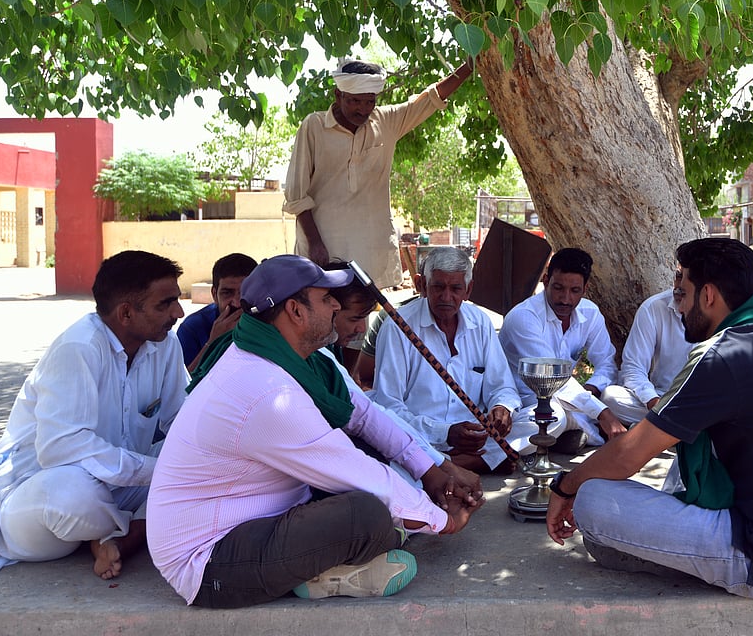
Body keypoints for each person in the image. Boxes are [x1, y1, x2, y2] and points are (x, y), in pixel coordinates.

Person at [147, 255, 480, 608]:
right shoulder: (268, 392)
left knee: (381, 494)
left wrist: (430, 473)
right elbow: (354, 468)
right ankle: (320, 573)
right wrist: (441, 521)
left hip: (258, 520)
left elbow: (365, 415)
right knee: (366, 515)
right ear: (295, 311)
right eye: (326, 298)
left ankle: (333, 561)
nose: (336, 305)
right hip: (210, 561)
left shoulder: (298, 360)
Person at [545, 238, 753, 598]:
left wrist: (565, 486)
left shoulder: (723, 353)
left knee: (594, 499)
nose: (679, 307)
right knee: (681, 448)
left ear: (708, 296)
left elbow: (629, 454)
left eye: (684, 293)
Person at [0, 251, 188, 579]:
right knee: (72, 496)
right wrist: (155, 471)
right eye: (165, 304)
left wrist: (190, 462)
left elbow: (182, 419)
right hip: (36, 496)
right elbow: (60, 450)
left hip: (119, 485)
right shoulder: (79, 348)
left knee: (199, 456)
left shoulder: (165, 344)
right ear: (126, 313)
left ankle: (109, 540)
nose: (179, 312)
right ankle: (123, 536)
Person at [283, 57, 474, 286]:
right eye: (355, 101)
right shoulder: (313, 127)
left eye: (369, 102)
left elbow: (431, 99)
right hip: (322, 251)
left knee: (359, 316)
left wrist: (469, 66)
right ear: (338, 95)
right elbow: (296, 195)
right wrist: (315, 243)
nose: (363, 109)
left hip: (369, 252)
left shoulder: (385, 122)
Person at [368, 248, 526, 474]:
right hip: (424, 437)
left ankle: (444, 466)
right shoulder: (397, 327)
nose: (446, 297)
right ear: (421, 285)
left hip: (477, 437)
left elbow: (502, 385)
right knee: (391, 437)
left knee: (536, 421)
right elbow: (388, 406)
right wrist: (445, 432)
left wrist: (502, 407)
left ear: (468, 290)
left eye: (455, 289)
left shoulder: (480, 322)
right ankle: (462, 463)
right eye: (438, 287)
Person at [499, 248, 627, 454]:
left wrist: (592, 388)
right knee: (554, 416)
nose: (565, 299)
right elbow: (550, 377)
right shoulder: (524, 317)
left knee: (612, 396)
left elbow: (606, 363)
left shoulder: (590, 313)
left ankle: (562, 436)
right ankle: (493, 452)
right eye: (558, 288)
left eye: (575, 291)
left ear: (585, 288)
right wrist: (604, 414)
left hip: (571, 397)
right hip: (526, 399)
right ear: (545, 280)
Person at [601, 276, 694, 426]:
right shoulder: (653, 307)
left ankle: (661, 430)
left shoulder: (721, 312)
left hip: (703, 404)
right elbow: (633, 368)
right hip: (661, 398)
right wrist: (654, 403)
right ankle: (674, 428)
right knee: (611, 398)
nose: (678, 285)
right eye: (677, 276)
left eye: (685, 278)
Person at [176, 252, 257, 370]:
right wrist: (213, 342)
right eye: (227, 293)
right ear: (214, 295)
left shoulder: (270, 320)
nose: (237, 302)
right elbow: (184, 383)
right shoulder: (192, 328)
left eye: (245, 292)